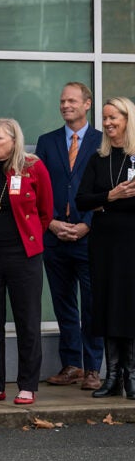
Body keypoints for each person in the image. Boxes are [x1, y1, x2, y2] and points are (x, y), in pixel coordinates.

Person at [0, 119, 54, 405]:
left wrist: (28, 240)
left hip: (23, 255)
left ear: (14, 141)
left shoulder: (33, 168)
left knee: (27, 320)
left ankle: (27, 385)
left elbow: (45, 212)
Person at [34, 82, 104, 391]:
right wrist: (49, 223)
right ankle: (72, 364)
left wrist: (87, 223)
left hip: (89, 235)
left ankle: (93, 368)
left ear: (87, 104)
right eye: (62, 101)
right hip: (55, 236)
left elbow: (107, 189)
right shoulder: (47, 142)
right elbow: (37, 188)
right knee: (64, 304)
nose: (65, 105)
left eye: (72, 100)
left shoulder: (102, 142)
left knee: (92, 304)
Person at [76, 96, 135, 399]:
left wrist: (105, 202)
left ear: (128, 119)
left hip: (131, 243)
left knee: (129, 306)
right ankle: (111, 377)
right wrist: (110, 197)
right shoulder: (98, 158)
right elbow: (82, 199)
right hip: (104, 244)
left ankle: (131, 375)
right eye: (106, 118)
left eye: (114, 117)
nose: (109, 123)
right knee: (109, 306)